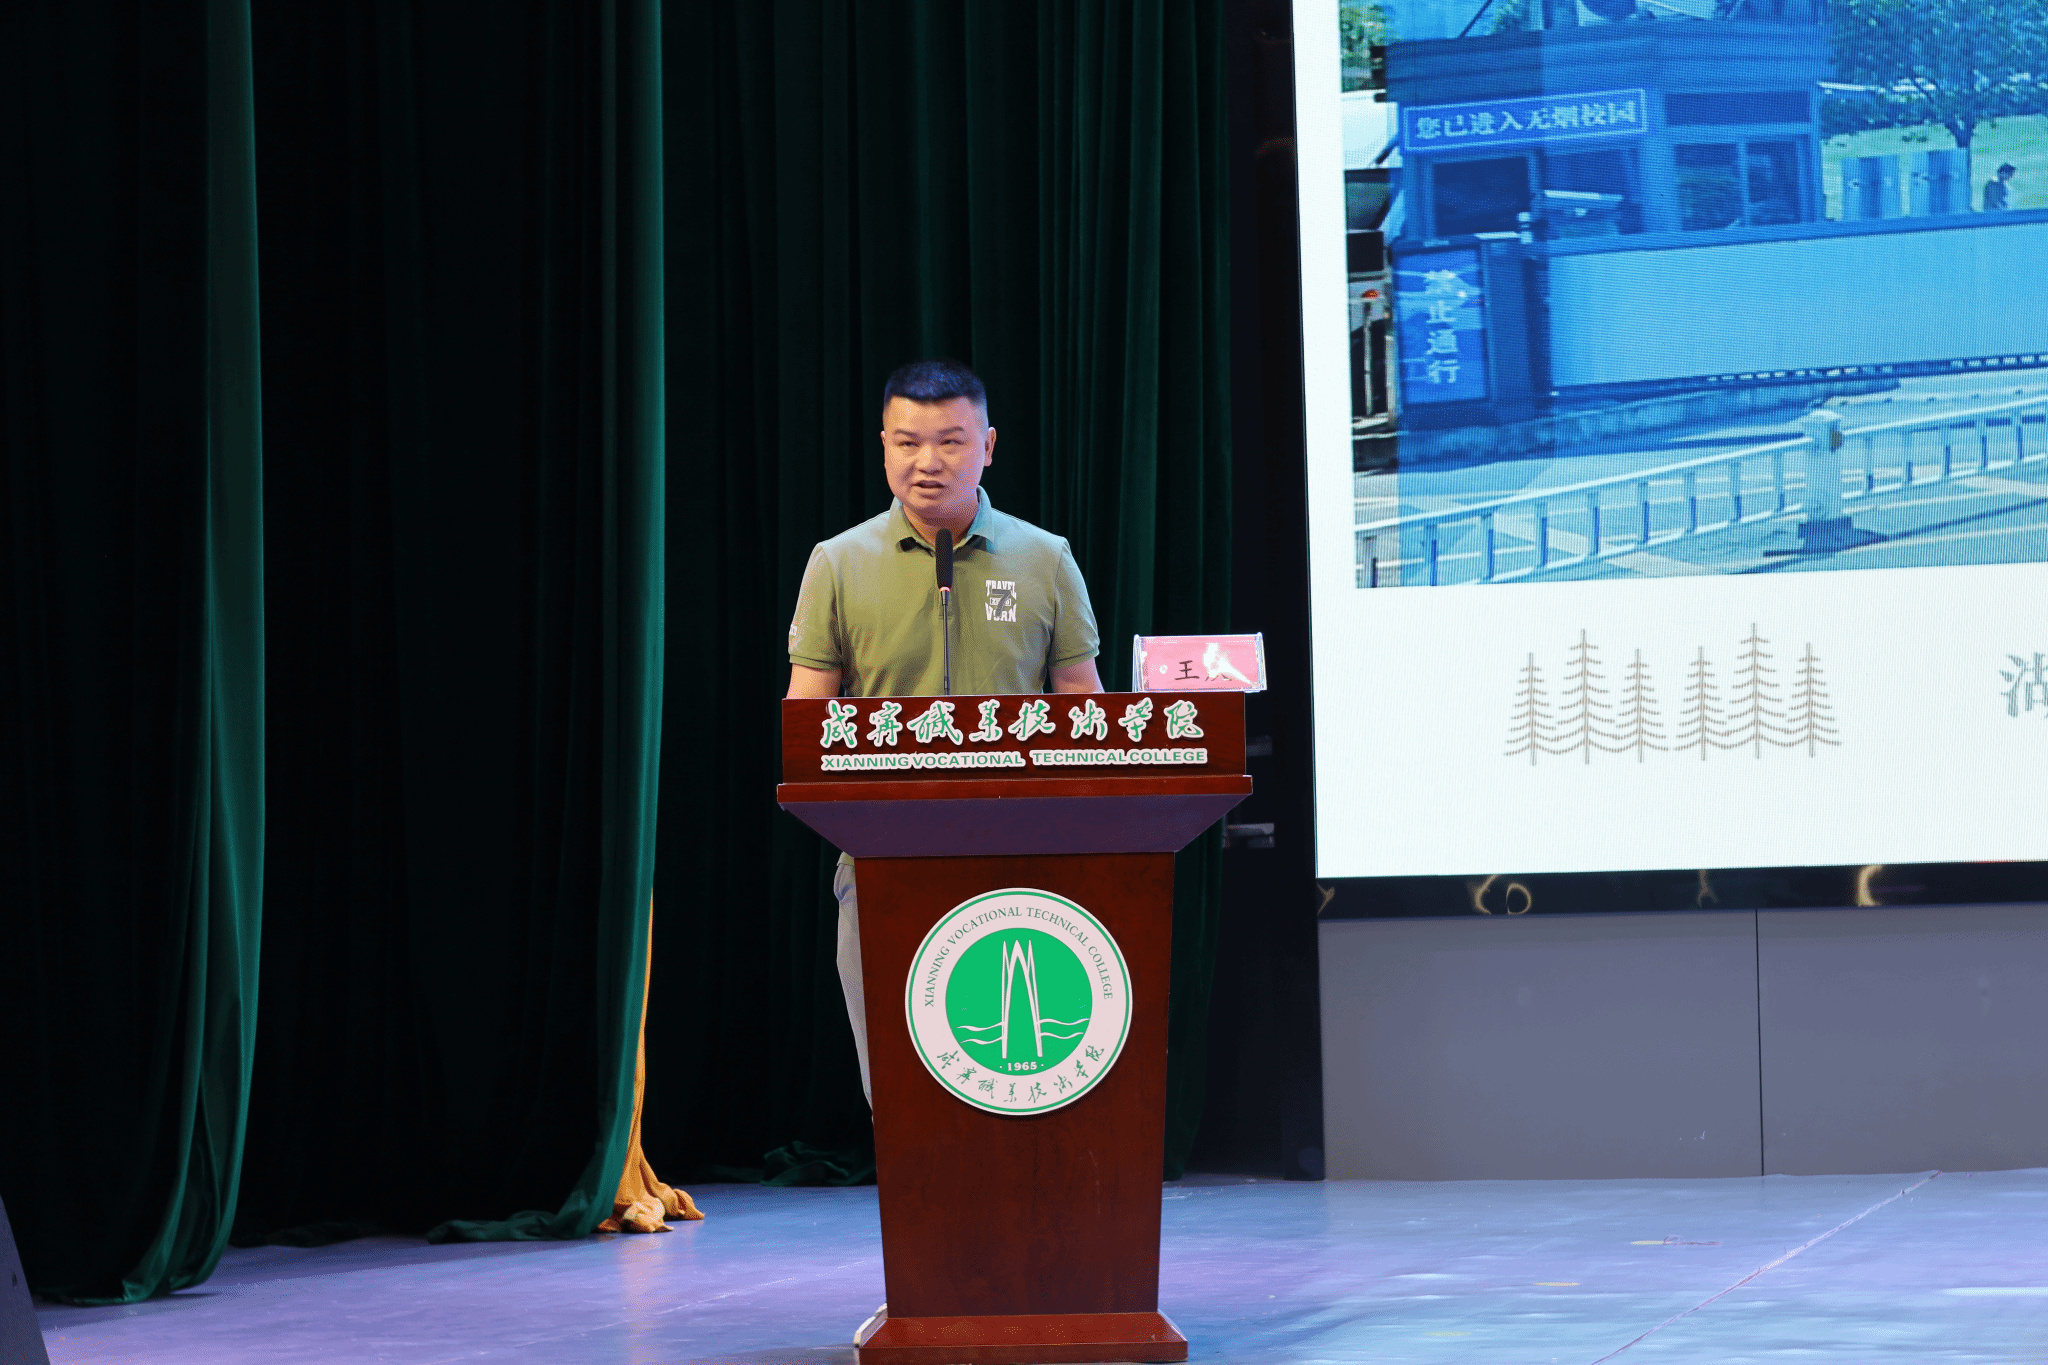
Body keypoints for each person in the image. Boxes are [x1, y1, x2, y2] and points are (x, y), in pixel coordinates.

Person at [785, 358, 1103, 1103]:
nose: (927, 461)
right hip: (882, 855)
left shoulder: (1046, 558)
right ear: (884, 447)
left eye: (951, 441)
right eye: (908, 442)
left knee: (1025, 1068)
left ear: (987, 446)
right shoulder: (838, 563)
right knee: (903, 1080)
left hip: (1029, 854)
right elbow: (806, 726)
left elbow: (1085, 710)